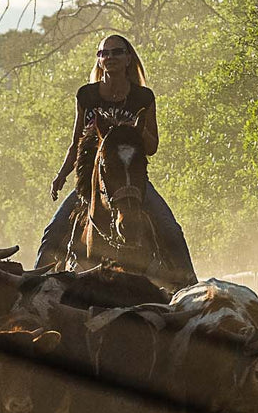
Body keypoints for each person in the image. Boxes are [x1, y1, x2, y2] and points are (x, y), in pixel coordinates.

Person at [35, 34, 196, 283]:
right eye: (103, 53)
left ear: (128, 58)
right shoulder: (86, 95)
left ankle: (189, 285)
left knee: (170, 228)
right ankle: (33, 288)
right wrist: (61, 175)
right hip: (92, 181)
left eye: (116, 52)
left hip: (131, 180)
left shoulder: (143, 97)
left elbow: (152, 147)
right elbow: (76, 143)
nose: (109, 57)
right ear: (99, 61)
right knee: (53, 231)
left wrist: (138, 130)